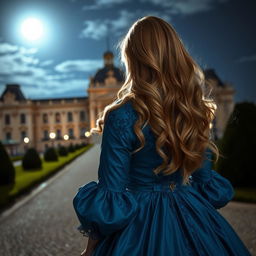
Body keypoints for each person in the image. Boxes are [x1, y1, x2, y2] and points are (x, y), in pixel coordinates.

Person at [73, 16, 251, 256]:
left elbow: (111, 195)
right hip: (189, 211)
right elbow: (205, 181)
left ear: (132, 59)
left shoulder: (121, 115)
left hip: (138, 221)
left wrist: (90, 249)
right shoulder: (193, 109)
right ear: (174, 54)